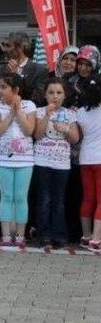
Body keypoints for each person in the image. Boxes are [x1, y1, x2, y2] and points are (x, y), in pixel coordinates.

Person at [0, 32, 49, 242]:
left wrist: (19, 81)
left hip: (25, 148)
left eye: (8, 45)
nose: (4, 49)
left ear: (21, 47)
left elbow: (40, 96)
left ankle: (23, 231)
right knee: (0, 192)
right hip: (2, 147)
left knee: (23, 194)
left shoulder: (38, 69)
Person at [0, 73, 37, 248]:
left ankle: (20, 233)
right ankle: (5, 234)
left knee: (20, 196)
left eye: (4, 87)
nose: (0, 90)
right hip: (3, 160)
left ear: (16, 89)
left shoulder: (29, 105)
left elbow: (29, 130)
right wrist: (10, 113)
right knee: (7, 196)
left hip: (24, 160)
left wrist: (18, 111)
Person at [33, 78, 79, 248]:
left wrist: (66, 129)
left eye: (59, 93)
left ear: (65, 95)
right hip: (42, 161)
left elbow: (75, 139)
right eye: (51, 92)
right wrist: (47, 115)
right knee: (44, 199)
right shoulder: (39, 111)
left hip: (62, 163)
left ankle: (58, 235)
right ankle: (43, 234)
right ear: (45, 95)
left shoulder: (69, 114)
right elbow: (36, 135)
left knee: (59, 200)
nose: (55, 96)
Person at [75, 77, 101, 251]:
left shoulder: (80, 113)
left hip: (85, 159)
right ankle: (97, 240)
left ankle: (86, 236)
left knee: (88, 198)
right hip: (100, 160)